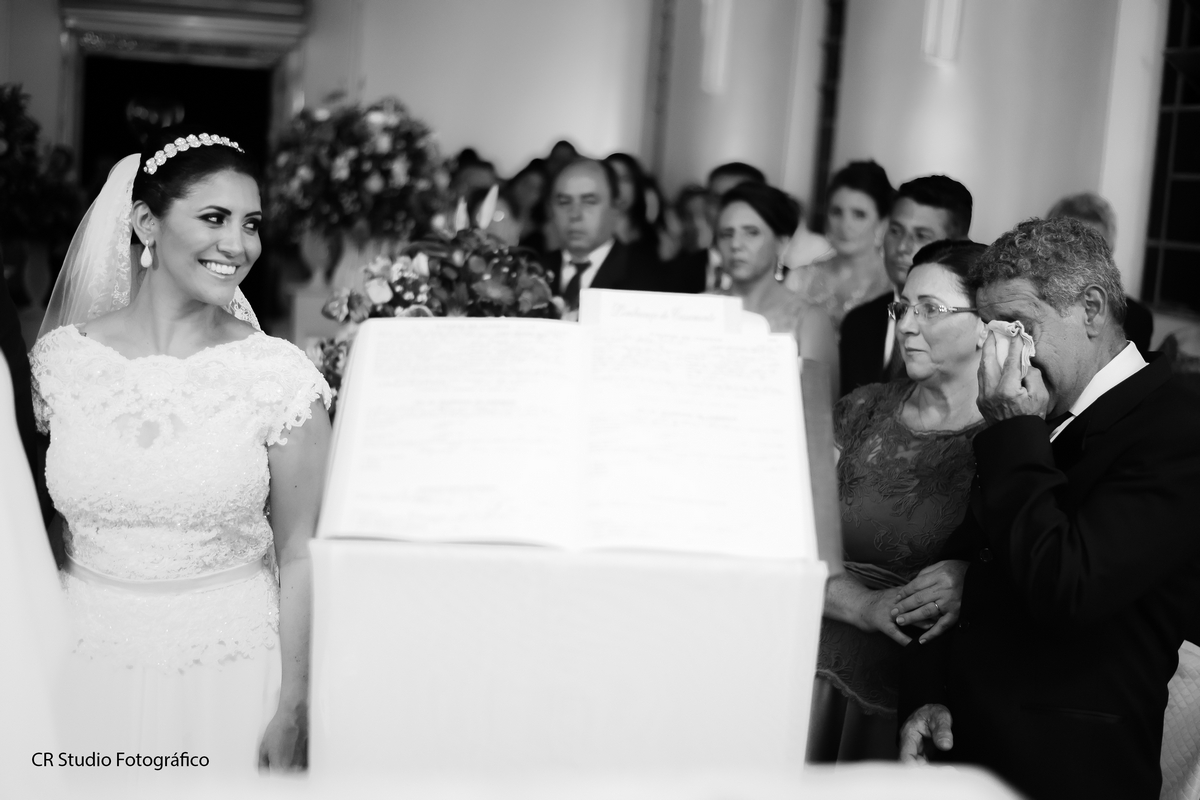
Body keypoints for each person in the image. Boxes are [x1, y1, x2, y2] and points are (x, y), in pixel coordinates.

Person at [29, 130, 332, 773]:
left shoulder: (279, 378)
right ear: (146, 223)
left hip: (228, 675)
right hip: (80, 666)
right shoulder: (60, 364)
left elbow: (301, 555)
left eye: (251, 224)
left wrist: (296, 703)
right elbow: (48, 528)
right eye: (214, 218)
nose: (238, 245)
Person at [897, 217, 1200, 800]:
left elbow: (1069, 585)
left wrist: (1015, 433)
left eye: (1020, 328)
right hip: (961, 752)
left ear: (1091, 309)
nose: (1007, 353)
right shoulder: (1035, 408)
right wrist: (926, 695)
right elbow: (958, 564)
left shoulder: (1177, 425)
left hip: (1067, 767)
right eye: (993, 331)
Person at [808, 240, 988, 762]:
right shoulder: (862, 409)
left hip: (912, 687)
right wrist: (862, 605)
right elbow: (791, 531)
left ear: (985, 323)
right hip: (807, 647)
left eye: (930, 309)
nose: (907, 325)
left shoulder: (1009, 439)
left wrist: (972, 578)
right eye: (902, 307)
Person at [839, 175, 972, 396]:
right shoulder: (859, 322)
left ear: (958, 245)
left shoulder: (968, 328)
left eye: (921, 236)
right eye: (895, 231)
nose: (902, 246)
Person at [713, 182, 837, 371]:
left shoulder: (809, 320)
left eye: (751, 233)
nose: (735, 244)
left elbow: (818, 391)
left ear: (781, 242)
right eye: (726, 234)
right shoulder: (698, 307)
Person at [538, 157, 661, 315]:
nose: (575, 214)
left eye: (589, 202)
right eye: (564, 202)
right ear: (550, 209)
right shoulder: (534, 271)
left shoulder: (646, 276)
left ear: (615, 207)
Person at [786, 161, 893, 326]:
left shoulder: (894, 285)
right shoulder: (800, 279)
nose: (845, 225)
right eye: (836, 212)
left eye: (859, 215)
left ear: (882, 223)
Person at [1046, 191, 1153, 354]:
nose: (1083, 258)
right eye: (1072, 246)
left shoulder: (1137, 319)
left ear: (1110, 252)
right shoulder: (1031, 303)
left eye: (1094, 248)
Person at [665, 162, 767, 294]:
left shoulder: (787, 278)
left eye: (738, 200)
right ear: (706, 205)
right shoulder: (670, 273)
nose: (727, 209)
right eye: (717, 200)